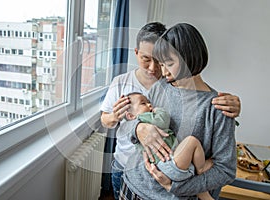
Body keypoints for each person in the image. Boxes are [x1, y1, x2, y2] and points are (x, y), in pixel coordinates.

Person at [100, 22, 240, 199]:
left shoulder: (218, 109)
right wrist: (137, 127)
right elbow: (134, 123)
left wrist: (175, 186)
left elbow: (225, 170)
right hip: (131, 185)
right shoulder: (160, 87)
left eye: (169, 64)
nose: (163, 72)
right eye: (162, 64)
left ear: (188, 58)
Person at [124, 92, 214, 200]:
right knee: (192, 141)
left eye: (149, 102)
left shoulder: (139, 123)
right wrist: (159, 111)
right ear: (131, 116)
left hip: (166, 167)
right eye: (143, 103)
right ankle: (201, 168)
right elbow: (163, 121)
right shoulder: (145, 118)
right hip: (168, 164)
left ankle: (199, 177)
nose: (150, 105)